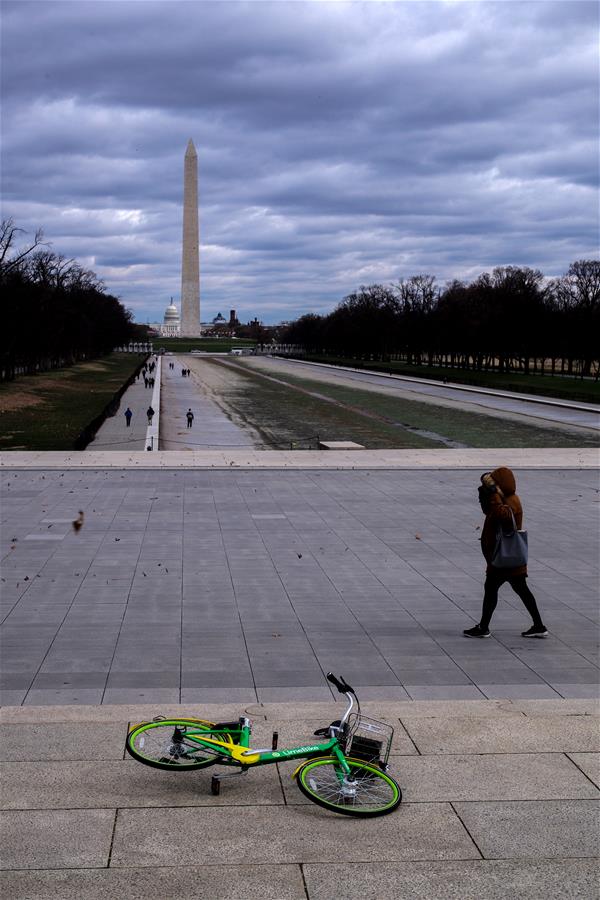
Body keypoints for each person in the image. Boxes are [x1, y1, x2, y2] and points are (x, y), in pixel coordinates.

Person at [464, 467, 547, 639]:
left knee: (492, 589)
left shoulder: (509, 501)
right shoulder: (506, 498)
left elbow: (503, 517)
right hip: (508, 556)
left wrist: (494, 496)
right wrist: (488, 495)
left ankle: (484, 627)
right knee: (519, 590)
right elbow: (490, 512)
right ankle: (538, 625)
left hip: (504, 556)